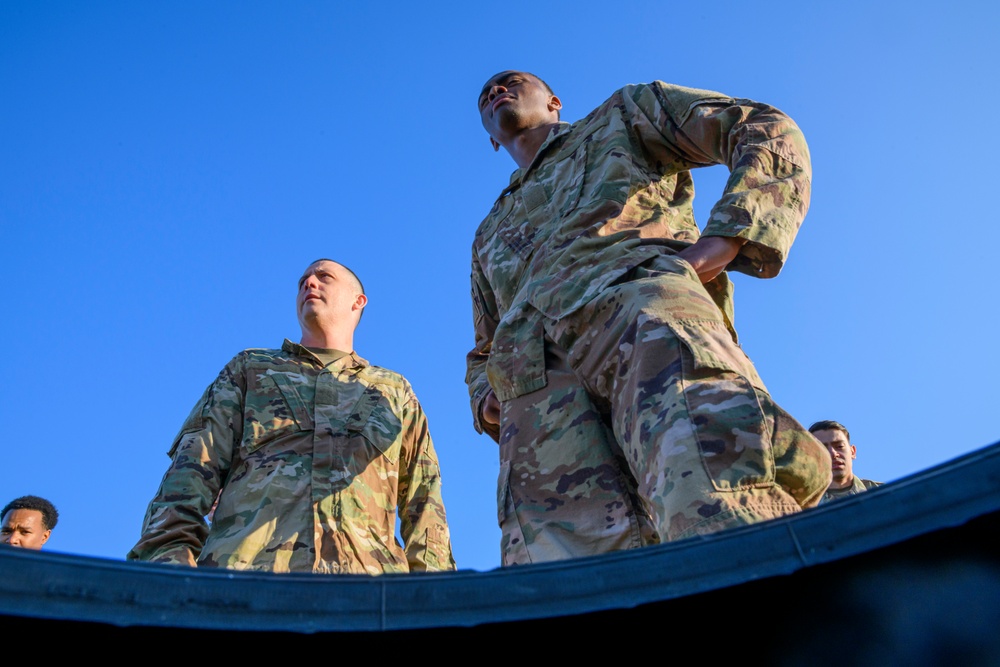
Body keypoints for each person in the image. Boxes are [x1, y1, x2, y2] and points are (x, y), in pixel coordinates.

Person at [467, 70, 832, 566]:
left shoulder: (621, 117)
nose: (495, 92)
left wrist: (728, 237)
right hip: (539, 396)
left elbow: (763, 126)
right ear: (491, 140)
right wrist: (486, 397)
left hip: (642, 320)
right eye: (486, 94)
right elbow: (483, 342)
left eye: (510, 82)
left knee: (710, 489)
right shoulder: (490, 231)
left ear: (554, 100)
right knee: (563, 570)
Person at [128, 259, 456, 574]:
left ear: (358, 301)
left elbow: (424, 501)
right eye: (302, 282)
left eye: (324, 277)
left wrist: (437, 599)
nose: (309, 283)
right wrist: (168, 568)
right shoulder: (251, 370)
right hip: (249, 585)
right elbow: (190, 473)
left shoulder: (392, 391)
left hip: (369, 595)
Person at [808, 420, 882, 503]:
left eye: (839, 446)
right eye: (823, 449)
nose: (833, 454)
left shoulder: (882, 494)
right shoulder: (803, 505)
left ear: (852, 451)